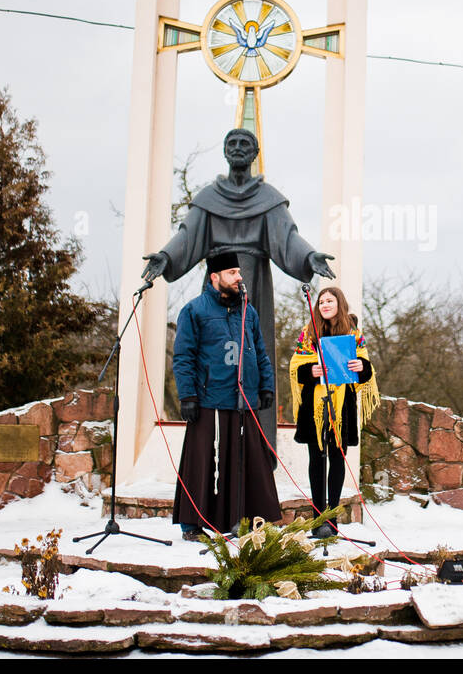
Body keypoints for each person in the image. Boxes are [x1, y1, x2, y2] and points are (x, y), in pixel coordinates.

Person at [141, 129, 335, 453]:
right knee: (213, 354)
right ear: (225, 152)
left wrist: (308, 256)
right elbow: (187, 236)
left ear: (255, 152)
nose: (238, 148)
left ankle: (255, 450)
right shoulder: (208, 199)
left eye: (245, 144)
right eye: (232, 144)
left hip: (254, 281)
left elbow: (288, 237)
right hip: (217, 287)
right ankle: (213, 443)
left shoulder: (269, 199)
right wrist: (166, 257)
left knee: (253, 355)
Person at [171, 251, 281, 538]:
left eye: (239, 272)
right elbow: (183, 357)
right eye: (233, 272)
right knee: (201, 460)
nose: (239, 277)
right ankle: (191, 524)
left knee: (245, 460)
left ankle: (242, 520)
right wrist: (188, 396)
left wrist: (266, 386)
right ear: (215, 277)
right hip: (207, 398)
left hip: (243, 398)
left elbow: (260, 352)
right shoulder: (194, 311)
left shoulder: (248, 311)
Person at [288, 286, 379, 538]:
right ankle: (318, 519)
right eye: (320, 301)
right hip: (315, 405)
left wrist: (361, 366)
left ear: (340, 303)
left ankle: (333, 519)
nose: (324, 304)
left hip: (342, 405)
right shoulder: (308, 333)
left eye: (329, 300)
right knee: (316, 459)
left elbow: (365, 370)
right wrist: (312, 371)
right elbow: (296, 367)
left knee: (337, 459)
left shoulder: (353, 332)